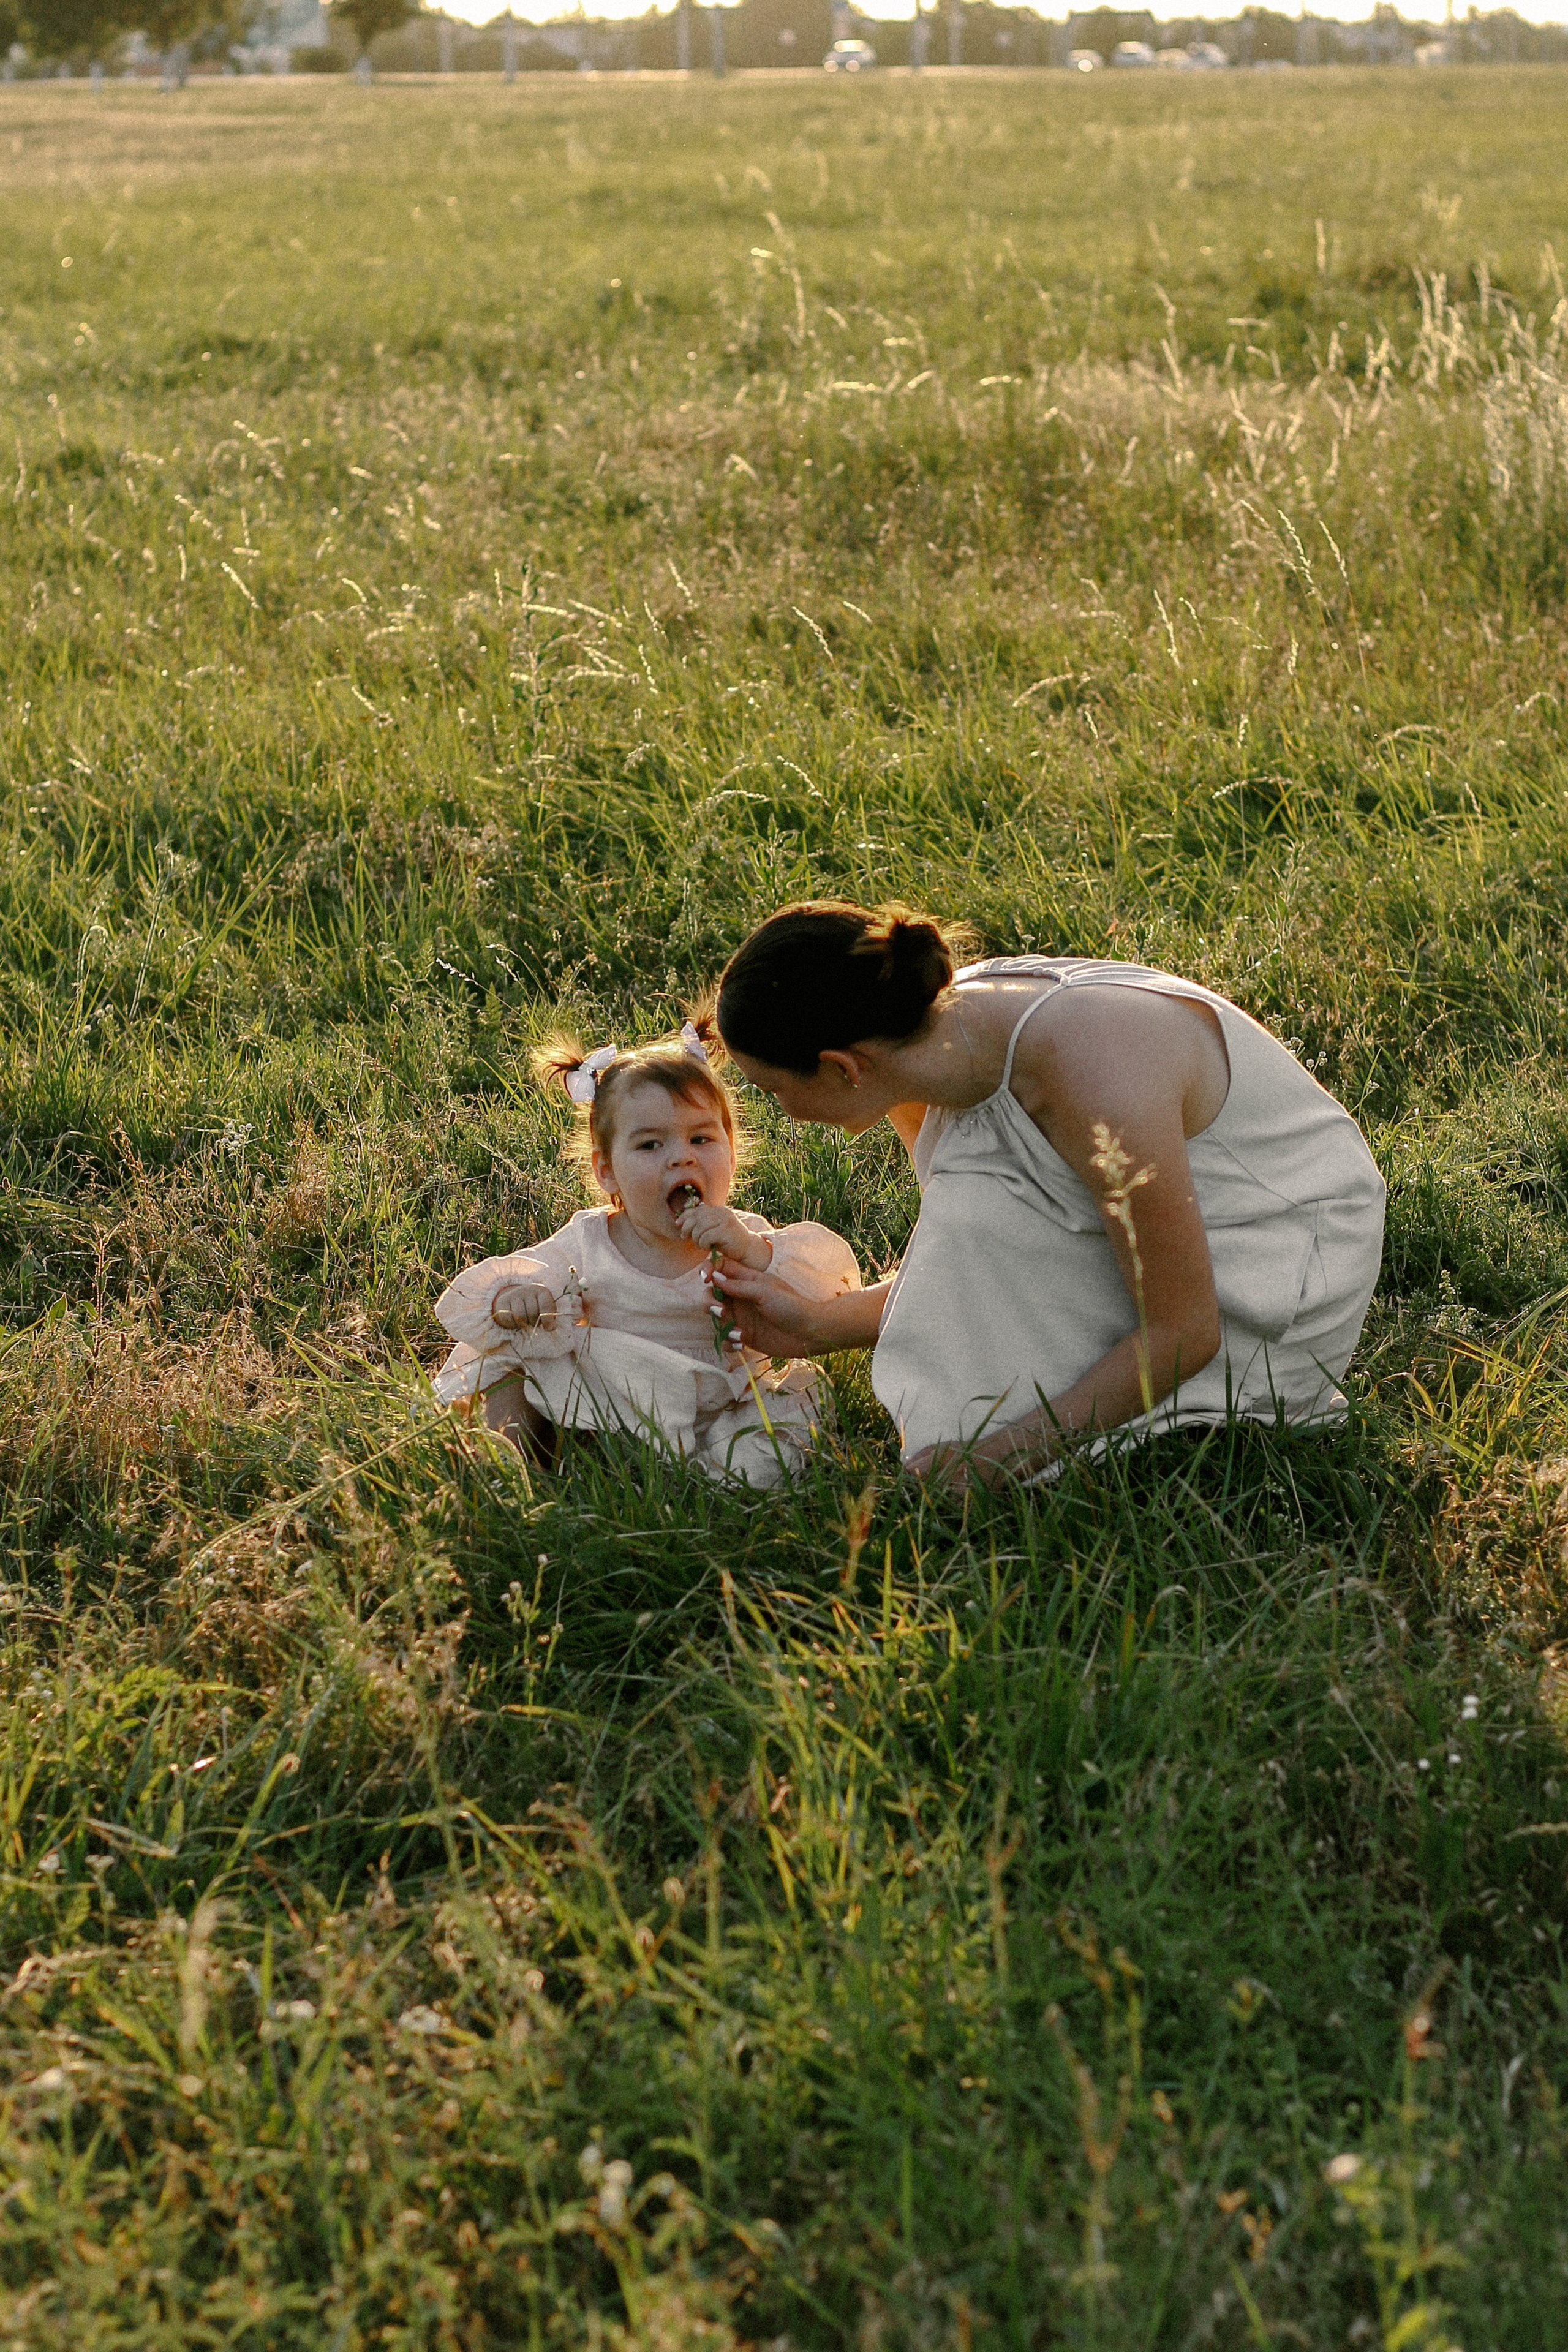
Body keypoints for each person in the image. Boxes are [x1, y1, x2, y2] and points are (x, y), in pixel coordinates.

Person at [706, 904, 1386, 1488]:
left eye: (773, 1090)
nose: (784, 1112)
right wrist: (819, 1324)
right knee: (978, 1306)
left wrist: (998, 1457)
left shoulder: (1093, 1077)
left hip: (1277, 1254)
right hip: (1179, 1235)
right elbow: (972, 1262)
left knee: (995, 1413)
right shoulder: (921, 1052)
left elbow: (1184, 1333)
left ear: (843, 1067)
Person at [431, 1022, 861, 1487]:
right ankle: (507, 1462)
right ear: (607, 1171)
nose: (681, 1158)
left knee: (790, 1419)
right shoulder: (591, 1241)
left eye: (701, 1139)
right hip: (609, 1404)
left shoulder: (745, 1239)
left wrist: (755, 1253)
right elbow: (521, 1279)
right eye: (651, 1145)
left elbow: (827, 1298)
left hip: (721, 1410)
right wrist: (513, 1299)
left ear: (732, 1155)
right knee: (513, 1361)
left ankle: (713, 1477)